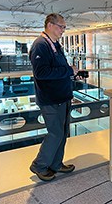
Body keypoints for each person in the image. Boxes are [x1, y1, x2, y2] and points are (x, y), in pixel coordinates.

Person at [29, 13, 84, 181]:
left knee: (63, 133)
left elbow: (58, 68)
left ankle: (56, 164)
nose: (63, 30)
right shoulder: (40, 45)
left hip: (62, 97)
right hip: (51, 100)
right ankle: (39, 165)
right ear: (50, 25)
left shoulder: (54, 45)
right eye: (61, 26)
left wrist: (72, 74)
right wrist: (68, 70)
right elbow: (41, 73)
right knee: (55, 133)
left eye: (64, 27)